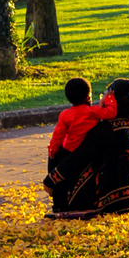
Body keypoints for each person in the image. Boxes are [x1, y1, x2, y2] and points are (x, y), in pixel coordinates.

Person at [43, 77, 129, 219]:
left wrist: (51, 179)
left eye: (104, 96)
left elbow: (81, 156)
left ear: (112, 100)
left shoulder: (105, 129)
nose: (101, 100)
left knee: (57, 152)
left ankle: (61, 204)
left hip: (108, 201)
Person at [45, 78, 117, 210]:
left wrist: (53, 151)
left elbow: (58, 136)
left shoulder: (65, 114)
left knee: (57, 170)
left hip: (68, 150)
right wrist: (109, 98)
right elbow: (111, 112)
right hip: (86, 151)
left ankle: (58, 204)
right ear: (88, 97)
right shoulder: (93, 112)